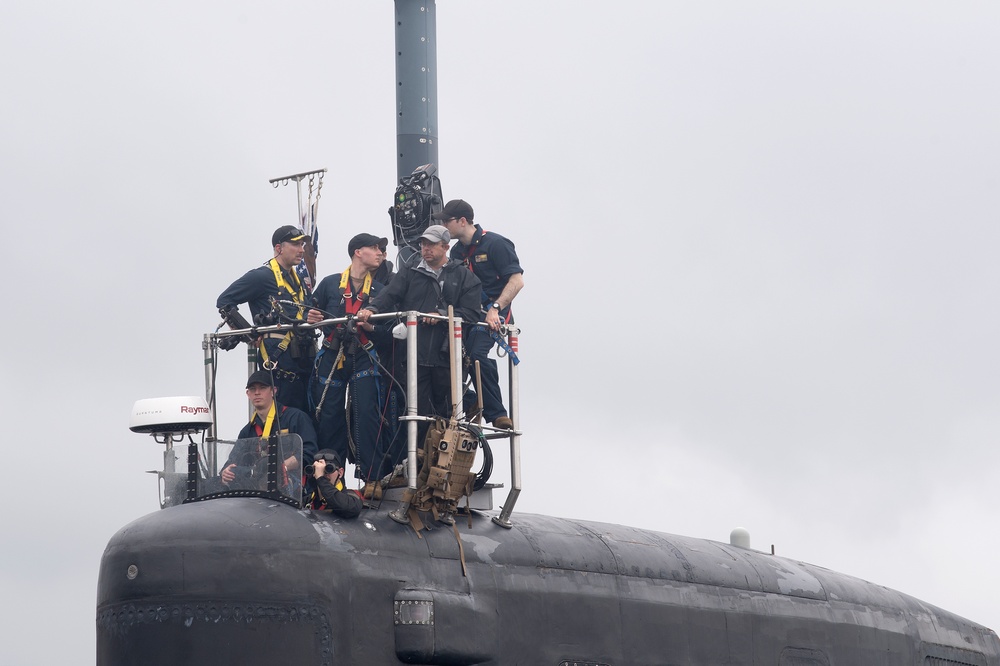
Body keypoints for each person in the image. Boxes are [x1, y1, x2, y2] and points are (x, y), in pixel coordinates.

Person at [356, 225, 482, 430]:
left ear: (446, 247)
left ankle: (444, 457)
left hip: (447, 356)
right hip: (415, 355)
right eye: (423, 244)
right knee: (419, 413)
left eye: (431, 244)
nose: (425, 248)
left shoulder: (464, 276)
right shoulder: (410, 271)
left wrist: (442, 316)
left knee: (447, 414)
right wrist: (372, 308)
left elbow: (472, 313)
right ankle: (420, 457)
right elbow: (390, 294)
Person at [306, 233, 401, 485]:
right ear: (358, 252)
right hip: (332, 356)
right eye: (375, 248)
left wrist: (371, 328)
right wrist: (311, 316)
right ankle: (329, 480)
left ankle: (372, 480)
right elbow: (308, 310)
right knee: (328, 416)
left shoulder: (382, 292)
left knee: (367, 415)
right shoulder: (330, 284)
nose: (381, 252)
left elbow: (391, 329)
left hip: (364, 354)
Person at [435, 199, 523, 429]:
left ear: (462, 221)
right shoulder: (456, 251)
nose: (444, 226)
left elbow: (517, 280)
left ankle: (497, 413)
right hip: (467, 315)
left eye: (447, 221)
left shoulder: (495, 244)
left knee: (476, 355)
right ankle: (469, 403)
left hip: (492, 317)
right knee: (444, 360)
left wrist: (495, 309)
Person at [217, 225, 316, 413]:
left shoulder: (299, 281)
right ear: (279, 248)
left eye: (302, 244)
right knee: (283, 421)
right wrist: (248, 334)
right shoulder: (262, 276)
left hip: (302, 363)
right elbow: (224, 301)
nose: (302, 250)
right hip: (278, 369)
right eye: (296, 244)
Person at [219, 370, 319, 495]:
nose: (257, 392)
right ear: (247, 394)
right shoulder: (247, 431)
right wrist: (225, 473)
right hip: (256, 496)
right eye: (252, 389)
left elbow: (310, 453)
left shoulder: (296, 418)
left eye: (262, 388)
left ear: (273, 391)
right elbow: (232, 462)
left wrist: (282, 467)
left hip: (293, 495)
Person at [305, 449, 363, 519]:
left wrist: (321, 478)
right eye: (319, 470)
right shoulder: (307, 501)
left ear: (340, 473)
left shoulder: (352, 497)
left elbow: (348, 508)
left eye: (329, 469)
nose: (324, 474)